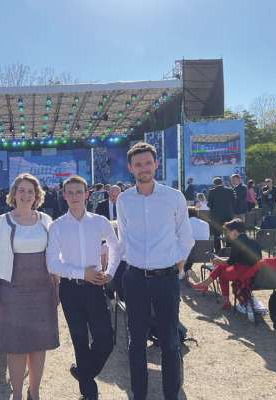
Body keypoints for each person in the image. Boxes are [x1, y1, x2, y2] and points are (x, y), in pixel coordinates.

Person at [116, 142, 194, 400]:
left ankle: (171, 395)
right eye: (138, 164)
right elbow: (124, 239)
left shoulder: (174, 197)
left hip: (166, 279)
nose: (143, 168)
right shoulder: (125, 200)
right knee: (135, 342)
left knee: (170, 342)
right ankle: (139, 394)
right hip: (135, 278)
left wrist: (177, 267)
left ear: (156, 164)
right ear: (130, 168)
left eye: (148, 162)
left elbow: (186, 237)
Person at [46, 175, 120, 400]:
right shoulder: (57, 226)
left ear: (87, 194)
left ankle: (83, 372)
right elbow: (52, 263)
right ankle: (89, 392)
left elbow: (116, 248)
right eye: (70, 192)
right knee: (79, 340)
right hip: (70, 289)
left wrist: (110, 273)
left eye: (79, 192)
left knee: (106, 339)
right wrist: (81, 274)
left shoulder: (100, 221)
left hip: (95, 287)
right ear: (64, 195)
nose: (75, 196)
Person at [0, 173, 59, 400]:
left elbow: (55, 257)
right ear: (14, 194)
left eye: (30, 191)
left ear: (37, 195)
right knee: (16, 345)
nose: (26, 195)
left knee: (39, 344)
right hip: (12, 289)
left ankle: (34, 392)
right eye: (21, 190)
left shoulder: (47, 221)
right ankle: (17, 393)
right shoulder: (0, 222)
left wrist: (56, 289)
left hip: (43, 289)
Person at [190, 219, 262, 309]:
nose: (227, 234)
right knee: (221, 266)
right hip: (253, 273)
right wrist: (220, 259)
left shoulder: (238, 242)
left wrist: (217, 260)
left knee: (221, 273)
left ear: (235, 231)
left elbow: (230, 262)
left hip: (241, 273)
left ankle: (224, 300)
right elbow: (236, 259)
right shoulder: (253, 241)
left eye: (228, 231)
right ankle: (205, 284)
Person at [207, 177, 236, 251]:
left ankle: (218, 251)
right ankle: (228, 249)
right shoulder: (230, 190)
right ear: (222, 182)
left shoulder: (211, 191)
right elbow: (234, 202)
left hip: (216, 217)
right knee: (228, 233)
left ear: (214, 184)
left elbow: (209, 205)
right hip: (228, 216)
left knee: (216, 235)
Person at [183, 207, 210, 279]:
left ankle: (186, 271)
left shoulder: (185, 223)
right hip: (203, 253)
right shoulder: (206, 223)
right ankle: (187, 270)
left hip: (189, 253)